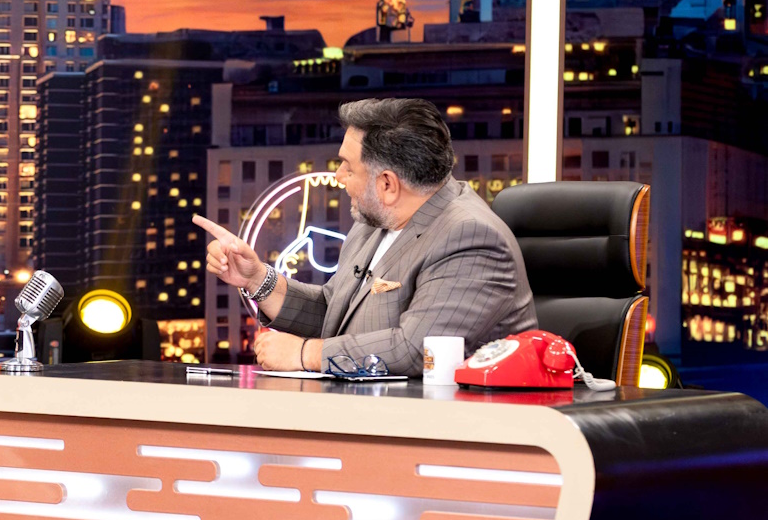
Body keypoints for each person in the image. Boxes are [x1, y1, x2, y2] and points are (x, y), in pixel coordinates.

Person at [196, 97, 536, 376]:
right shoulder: (374, 222)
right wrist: (257, 279)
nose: (338, 176)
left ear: (387, 184)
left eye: (348, 166)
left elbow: (415, 349)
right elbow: (335, 312)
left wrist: (304, 354)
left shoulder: (469, 237)